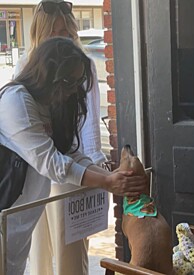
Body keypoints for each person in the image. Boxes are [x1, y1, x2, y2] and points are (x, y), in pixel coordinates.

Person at [0, 37, 146, 275]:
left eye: (78, 81)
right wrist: (109, 182)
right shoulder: (16, 101)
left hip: (19, 221)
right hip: (5, 218)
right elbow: (52, 163)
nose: (73, 90)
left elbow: (69, 152)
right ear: (47, 74)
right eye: (68, 81)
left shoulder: (49, 104)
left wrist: (111, 177)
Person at [13, 1, 105, 274]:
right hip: (34, 173)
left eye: (67, 32)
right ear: (40, 35)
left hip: (72, 168)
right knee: (38, 252)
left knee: (72, 254)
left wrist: (96, 167)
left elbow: (88, 126)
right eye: (55, 33)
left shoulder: (82, 66)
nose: (63, 39)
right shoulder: (24, 67)